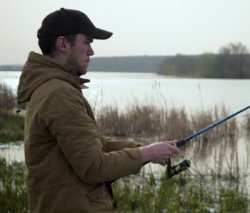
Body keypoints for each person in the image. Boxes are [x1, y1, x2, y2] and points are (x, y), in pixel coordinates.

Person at [16, 8, 180, 212]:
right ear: (63, 44)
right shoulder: (59, 93)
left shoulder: (51, 87)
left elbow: (93, 143)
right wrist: (144, 155)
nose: (91, 51)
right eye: (87, 42)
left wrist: (145, 148)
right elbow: (93, 167)